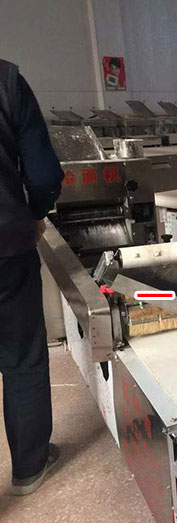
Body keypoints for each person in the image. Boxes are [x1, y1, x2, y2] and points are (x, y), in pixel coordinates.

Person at [0, 58, 64, 495]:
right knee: (22, 357)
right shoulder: (6, 81)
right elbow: (43, 173)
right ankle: (29, 466)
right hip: (5, 247)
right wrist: (35, 213)